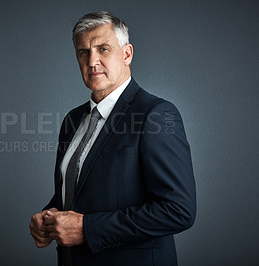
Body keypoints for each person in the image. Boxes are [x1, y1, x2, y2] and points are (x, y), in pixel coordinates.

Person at [29, 11, 196, 266]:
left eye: (103, 49)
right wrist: (50, 217)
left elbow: (178, 210)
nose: (92, 61)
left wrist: (88, 228)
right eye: (83, 52)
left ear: (127, 54)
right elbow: (80, 192)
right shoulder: (72, 121)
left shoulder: (156, 114)